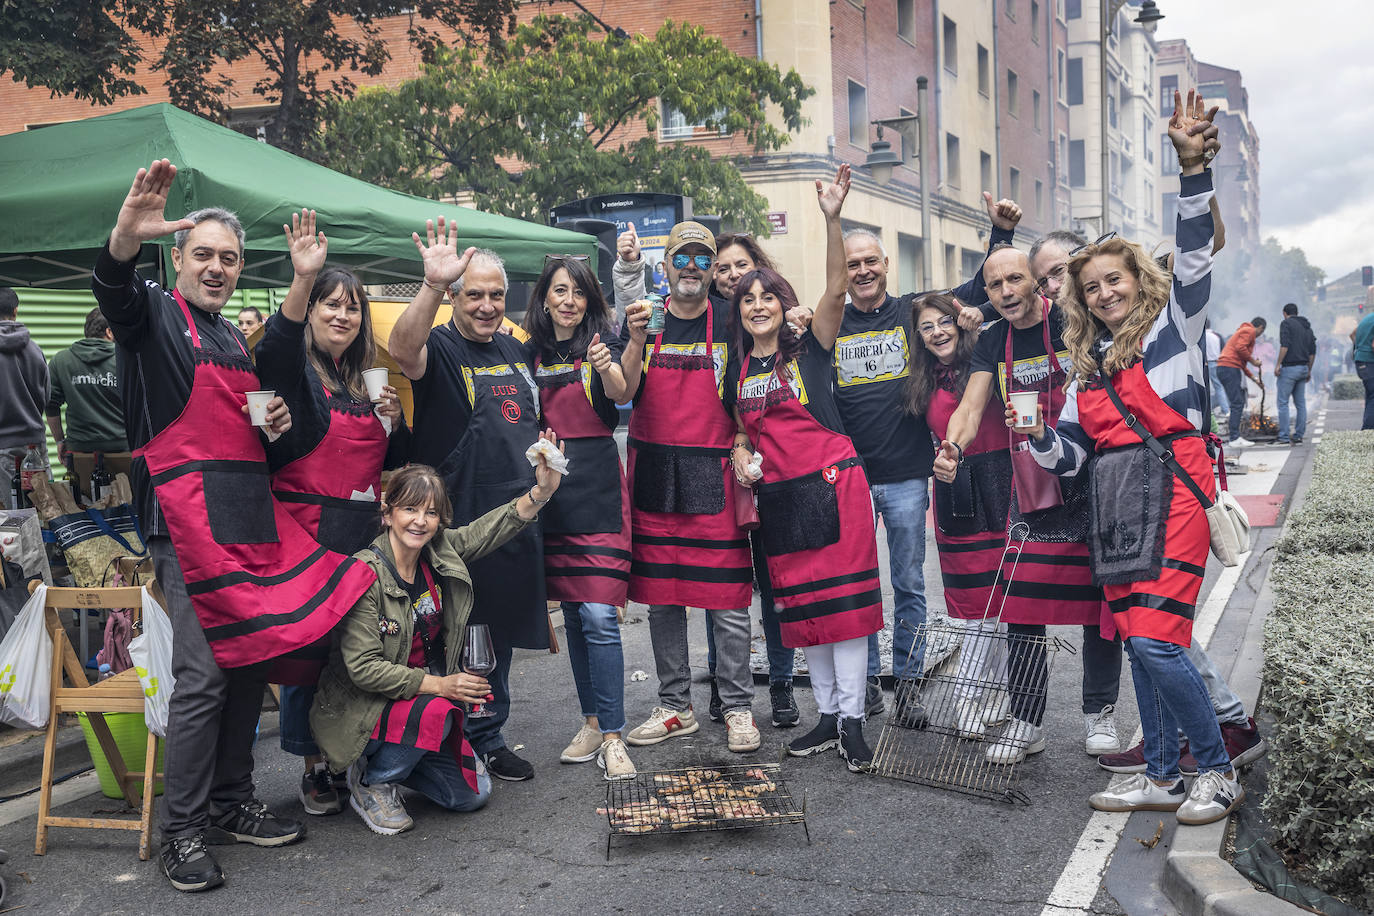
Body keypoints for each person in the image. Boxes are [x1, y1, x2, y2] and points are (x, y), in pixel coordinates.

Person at [92, 160, 375, 892]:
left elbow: (247, 431)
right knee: (204, 679)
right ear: (177, 259)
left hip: (246, 516)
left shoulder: (228, 339)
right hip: (185, 522)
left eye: (229, 258)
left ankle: (229, 801)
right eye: (204, 255)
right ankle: (180, 832)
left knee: (249, 662)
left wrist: (273, 425)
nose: (216, 268)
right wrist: (125, 235)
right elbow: (114, 294)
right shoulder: (155, 317)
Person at [1022, 89, 1245, 826]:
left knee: (1155, 640)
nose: (1104, 290)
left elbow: (1193, 243)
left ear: (1138, 281)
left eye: (1114, 279)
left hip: (1175, 487)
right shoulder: (1083, 367)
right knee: (1140, 641)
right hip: (1115, 503)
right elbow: (1072, 456)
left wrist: (1190, 170)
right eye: (1091, 287)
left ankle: (1212, 769)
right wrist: (1037, 439)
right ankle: (1159, 773)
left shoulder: (1178, 322)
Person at [831, 192, 1019, 723]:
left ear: (886, 266)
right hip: (849, 480)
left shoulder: (911, 314)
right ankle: (866, 683)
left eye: (871, 261)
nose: (863, 270)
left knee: (908, 584)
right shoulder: (831, 325)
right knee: (859, 583)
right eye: (853, 264)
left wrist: (999, 236)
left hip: (910, 477)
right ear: (842, 273)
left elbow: (975, 293)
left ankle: (909, 684)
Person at [310, 456, 562, 835]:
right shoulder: (364, 573)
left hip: (419, 703)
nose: (419, 521)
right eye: (409, 509)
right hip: (365, 708)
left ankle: (399, 768)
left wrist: (540, 492)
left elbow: (489, 529)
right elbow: (363, 668)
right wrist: (443, 685)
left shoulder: (439, 552)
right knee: (439, 710)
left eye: (430, 512)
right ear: (388, 512)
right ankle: (370, 781)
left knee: (472, 795)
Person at [615, 225, 804, 730]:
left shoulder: (729, 319)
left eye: (704, 258)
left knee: (727, 600)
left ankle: (739, 708)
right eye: (683, 258)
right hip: (654, 472)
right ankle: (675, 706)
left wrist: (799, 317)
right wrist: (633, 328)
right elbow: (622, 391)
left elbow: (771, 342)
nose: (693, 267)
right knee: (661, 599)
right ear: (667, 266)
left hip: (715, 475)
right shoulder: (646, 320)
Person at [254, 210, 409, 816]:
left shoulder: (369, 380)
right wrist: (301, 278)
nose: (342, 315)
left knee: (361, 648)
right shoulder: (292, 373)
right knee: (307, 653)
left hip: (363, 531)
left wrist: (393, 423)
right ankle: (315, 766)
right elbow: (273, 352)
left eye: (351, 307)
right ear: (311, 312)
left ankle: (357, 752)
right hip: (304, 532)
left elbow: (393, 455)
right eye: (329, 305)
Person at [732, 166, 883, 771]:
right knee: (802, 611)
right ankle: (824, 715)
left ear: (784, 304)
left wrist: (830, 218)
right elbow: (737, 431)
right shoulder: (736, 370)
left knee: (844, 613)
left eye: (769, 296)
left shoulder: (810, 345)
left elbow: (838, 289)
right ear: (739, 312)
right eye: (749, 299)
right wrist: (740, 453)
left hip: (834, 488)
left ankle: (852, 721)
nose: (759, 305)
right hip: (781, 501)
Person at [933, 242, 1109, 764]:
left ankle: (1098, 715)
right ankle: (1027, 721)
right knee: (1022, 609)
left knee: (1098, 609)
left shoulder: (1074, 323)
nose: (1007, 292)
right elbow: (969, 406)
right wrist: (952, 448)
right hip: (1030, 488)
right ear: (986, 293)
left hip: (1089, 478)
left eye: (1015, 280)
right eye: (995, 285)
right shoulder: (992, 343)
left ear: (1034, 281)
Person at [389, 219, 548, 782]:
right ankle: (452, 739)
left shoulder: (514, 348)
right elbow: (400, 347)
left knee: (497, 636)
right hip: (457, 521)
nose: (486, 305)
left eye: (495, 295)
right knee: (458, 634)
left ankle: (489, 734)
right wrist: (431, 284)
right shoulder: (438, 345)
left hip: (516, 517)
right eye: (473, 294)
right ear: (454, 297)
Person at [522, 254, 636, 780]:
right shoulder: (531, 352)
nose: (569, 301)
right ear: (544, 296)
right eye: (559, 291)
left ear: (590, 299)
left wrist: (606, 365)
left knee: (597, 617)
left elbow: (620, 393)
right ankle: (591, 721)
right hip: (554, 492)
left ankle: (614, 735)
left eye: (578, 292)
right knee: (572, 616)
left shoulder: (603, 343)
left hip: (598, 488)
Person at [903, 292, 1015, 738]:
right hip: (956, 488)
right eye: (927, 327)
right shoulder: (917, 380)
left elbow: (1002, 290)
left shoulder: (988, 360)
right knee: (972, 607)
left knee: (1006, 600)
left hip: (1003, 482)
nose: (937, 332)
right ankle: (967, 698)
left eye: (944, 321)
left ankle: (1000, 694)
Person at [45, 307, 131, 499]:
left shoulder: (61, 360)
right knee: (126, 506)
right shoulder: (126, 359)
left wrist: (59, 441)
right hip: (123, 453)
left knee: (84, 505)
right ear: (109, 331)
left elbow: (51, 405)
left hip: (79, 454)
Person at [0, 288, 49, 505]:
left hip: (3, 447)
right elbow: (46, 396)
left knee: (10, 521)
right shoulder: (34, 349)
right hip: (35, 445)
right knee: (45, 511)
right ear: (16, 311)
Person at [1216, 317, 1266, 449]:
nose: (1260, 335)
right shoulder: (1249, 331)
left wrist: (1255, 380)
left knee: (1236, 402)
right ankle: (1234, 438)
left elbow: (1242, 364)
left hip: (1227, 368)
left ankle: (1235, 436)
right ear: (1260, 327)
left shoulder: (1243, 331)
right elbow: (1240, 348)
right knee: (1237, 403)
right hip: (1229, 369)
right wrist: (1254, 362)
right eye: (1262, 331)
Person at [1274, 303, 1316, 445]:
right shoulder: (1307, 327)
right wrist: (1309, 370)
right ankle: (1298, 435)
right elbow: (1312, 352)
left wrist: (1278, 364)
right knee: (1300, 404)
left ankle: (1284, 436)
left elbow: (1284, 345)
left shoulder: (1286, 324)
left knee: (1283, 403)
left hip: (1289, 369)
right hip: (1303, 368)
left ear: (1284, 313)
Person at [1203, 322, 1230, 432]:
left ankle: (1207, 411)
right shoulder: (1217, 336)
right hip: (1217, 363)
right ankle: (1226, 410)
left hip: (1204, 364)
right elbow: (1224, 350)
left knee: (1205, 388)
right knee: (1219, 387)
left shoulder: (1201, 336)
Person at [1351, 309, 1374, 430]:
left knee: (1370, 395)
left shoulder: (1368, 318)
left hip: (1361, 361)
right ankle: (1368, 430)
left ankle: (1367, 428)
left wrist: (1359, 348)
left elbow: (1352, 334)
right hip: (1370, 361)